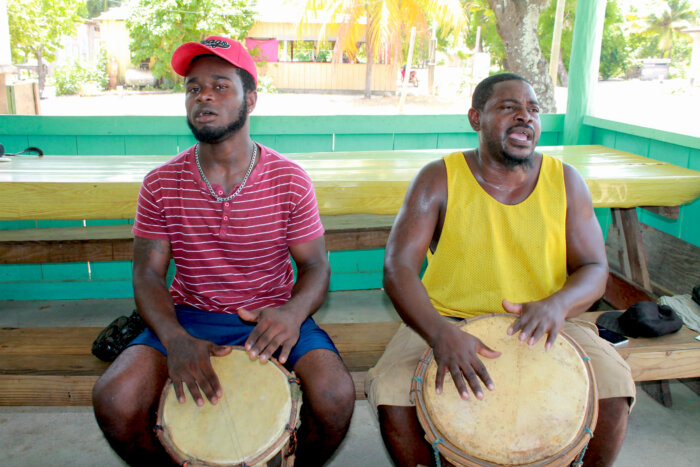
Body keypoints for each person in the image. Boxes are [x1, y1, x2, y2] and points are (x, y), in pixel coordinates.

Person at [92, 36, 355, 466]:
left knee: (335, 394)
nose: (204, 96)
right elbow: (147, 275)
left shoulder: (289, 179)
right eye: (193, 88)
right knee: (115, 398)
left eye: (220, 85)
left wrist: (291, 315)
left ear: (250, 99)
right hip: (189, 317)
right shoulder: (161, 183)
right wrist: (174, 338)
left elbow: (315, 265)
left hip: (270, 317)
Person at [365, 73, 636, 467]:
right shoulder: (438, 178)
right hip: (447, 318)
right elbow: (398, 268)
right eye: (509, 107)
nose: (525, 117)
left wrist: (557, 305)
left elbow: (595, 267)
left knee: (613, 386)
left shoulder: (565, 181)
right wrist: (440, 333)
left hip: (543, 318)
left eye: (533, 110)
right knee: (392, 390)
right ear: (476, 118)